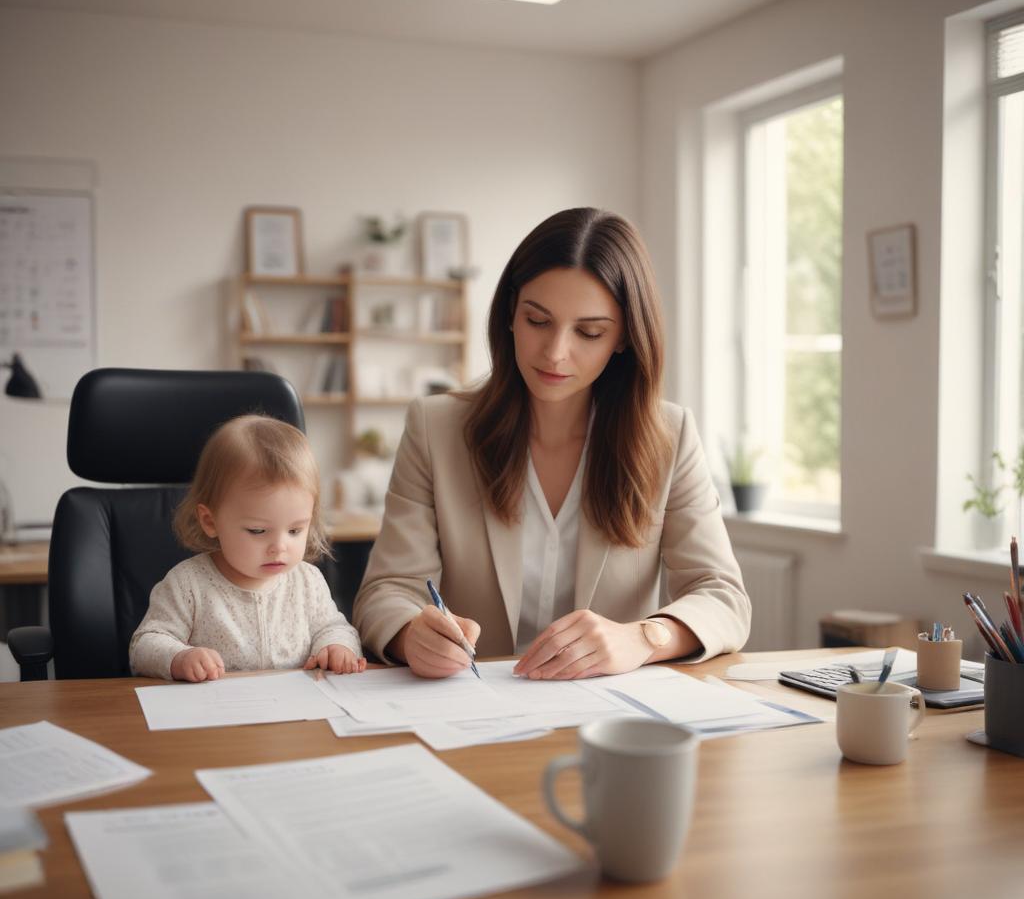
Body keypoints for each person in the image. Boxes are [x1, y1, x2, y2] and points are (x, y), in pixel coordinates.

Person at [354, 207, 750, 680]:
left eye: (589, 332)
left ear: (623, 337)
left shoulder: (669, 436)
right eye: (538, 321)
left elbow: (723, 597)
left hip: (607, 707)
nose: (555, 352)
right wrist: (410, 632)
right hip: (471, 702)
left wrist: (643, 638)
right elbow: (385, 591)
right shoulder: (435, 428)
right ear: (510, 314)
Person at [129, 415, 365, 682]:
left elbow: (334, 627)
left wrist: (336, 646)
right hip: (219, 705)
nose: (279, 547)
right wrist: (179, 657)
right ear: (210, 521)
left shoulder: (308, 582)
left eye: (295, 530)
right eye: (258, 531)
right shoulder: (188, 585)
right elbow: (145, 644)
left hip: (294, 705)